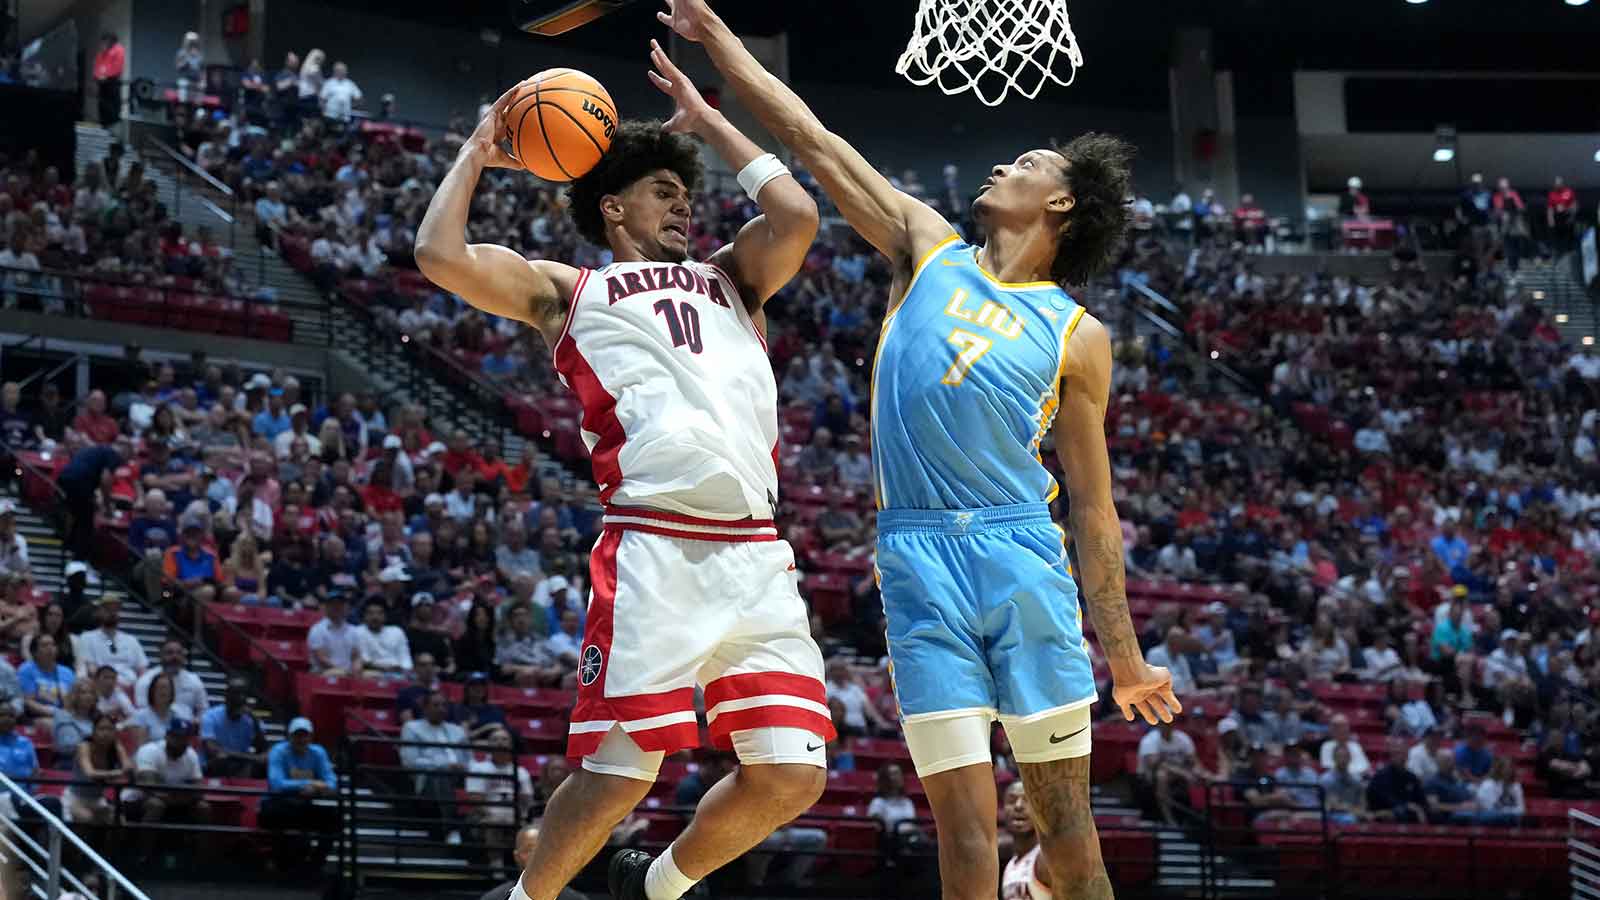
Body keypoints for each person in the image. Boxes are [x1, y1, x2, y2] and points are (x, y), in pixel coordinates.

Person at [660, 5, 1178, 898]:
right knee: (969, 843)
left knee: (1069, 840)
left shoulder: (1079, 335)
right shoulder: (927, 246)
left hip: (1023, 555)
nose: (1000, 164)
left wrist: (1124, 656)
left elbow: (1093, 506)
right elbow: (811, 140)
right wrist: (721, 47)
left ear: (1061, 202)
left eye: (1026, 164)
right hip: (916, 556)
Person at [416, 44, 833, 900]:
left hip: (757, 552)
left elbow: (794, 215)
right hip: (656, 545)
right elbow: (440, 255)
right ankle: (528, 899)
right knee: (619, 777)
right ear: (613, 207)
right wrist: (475, 152)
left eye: (687, 196)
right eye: (663, 193)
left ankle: (659, 886)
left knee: (794, 776)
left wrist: (709, 121)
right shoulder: (571, 291)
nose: (684, 207)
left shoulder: (732, 279)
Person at [262, 717, 339, 874]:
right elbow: (276, 783)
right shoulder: (278, 751)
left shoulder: (318, 752)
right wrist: (309, 784)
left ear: (311, 737)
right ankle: (281, 862)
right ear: (289, 736)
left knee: (335, 819)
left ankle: (315, 864)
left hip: (304, 805)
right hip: (278, 804)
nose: (301, 739)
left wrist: (315, 789)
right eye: (297, 735)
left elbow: (331, 782)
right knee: (276, 814)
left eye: (305, 735)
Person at [126, 719, 210, 856]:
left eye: (185, 738)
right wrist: (183, 794)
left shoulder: (191, 754)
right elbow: (149, 788)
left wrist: (176, 795)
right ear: (167, 736)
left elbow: (199, 790)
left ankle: (202, 859)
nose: (181, 742)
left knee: (204, 807)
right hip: (138, 800)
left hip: (175, 801)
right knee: (156, 805)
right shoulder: (150, 750)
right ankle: (143, 856)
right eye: (176, 737)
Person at [399, 691, 468, 842]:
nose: (441, 709)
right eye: (436, 705)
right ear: (425, 708)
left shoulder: (457, 731)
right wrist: (444, 765)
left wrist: (462, 767)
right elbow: (410, 762)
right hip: (428, 781)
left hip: (460, 777)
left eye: (444, 705)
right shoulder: (411, 728)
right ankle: (451, 828)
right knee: (441, 775)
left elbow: (469, 760)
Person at [479, 823, 590, 900]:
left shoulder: (575, 899)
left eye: (542, 849)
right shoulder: (493, 898)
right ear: (516, 856)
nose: (536, 856)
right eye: (529, 850)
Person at [67, 714, 129, 829]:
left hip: (98, 800)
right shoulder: (84, 746)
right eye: (101, 729)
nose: (105, 733)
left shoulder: (116, 747)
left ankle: (110, 847)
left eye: (109, 729)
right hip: (76, 798)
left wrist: (121, 771)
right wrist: (116, 773)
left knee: (119, 821)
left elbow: (127, 768)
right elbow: (90, 773)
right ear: (94, 731)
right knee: (87, 818)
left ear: (114, 732)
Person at [1136, 720, 1203, 826]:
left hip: (1179, 773)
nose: (1167, 725)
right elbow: (1154, 764)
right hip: (1150, 777)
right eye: (1164, 722)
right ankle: (1168, 818)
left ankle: (1198, 816)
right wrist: (1183, 773)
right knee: (1162, 775)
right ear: (1158, 724)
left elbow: (1194, 761)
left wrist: (1198, 771)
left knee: (1199, 774)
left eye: (1169, 722)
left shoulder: (1183, 738)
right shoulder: (1149, 740)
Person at [76, 595, 149, 687]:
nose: (112, 613)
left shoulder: (131, 640)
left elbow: (142, 669)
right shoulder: (87, 638)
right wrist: (113, 684)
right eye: (108, 609)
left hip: (131, 689)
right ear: (98, 612)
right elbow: (91, 669)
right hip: (102, 687)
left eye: (116, 609)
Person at [200, 677, 265, 777]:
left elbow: (263, 750)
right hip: (214, 766)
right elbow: (213, 750)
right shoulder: (210, 717)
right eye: (235, 694)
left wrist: (254, 720)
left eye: (243, 694)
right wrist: (250, 758)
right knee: (221, 759)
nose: (239, 698)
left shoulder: (251, 720)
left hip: (241, 765)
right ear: (226, 697)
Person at [1001, 780, 1050, 900]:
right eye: (1012, 801)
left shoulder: (1045, 859)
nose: (1018, 806)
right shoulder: (1010, 867)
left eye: (1027, 800)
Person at [1366, 736, 1429, 824]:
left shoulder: (1411, 777)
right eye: (1396, 753)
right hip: (1383, 811)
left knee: (1432, 814)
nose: (1399, 756)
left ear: (1407, 755)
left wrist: (1421, 808)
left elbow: (1422, 800)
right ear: (1391, 755)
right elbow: (1387, 800)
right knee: (1401, 812)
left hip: (1409, 811)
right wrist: (1407, 806)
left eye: (1402, 753)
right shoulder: (1381, 776)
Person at [135, 639, 208, 713]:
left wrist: (197, 720)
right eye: (170, 653)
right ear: (160, 656)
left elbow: (203, 710)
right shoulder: (146, 681)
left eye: (179, 653)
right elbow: (142, 711)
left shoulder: (194, 680)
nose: (175, 657)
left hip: (188, 723)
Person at [18, 633, 74, 720]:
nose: (50, 648)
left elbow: (72, 700)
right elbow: (28, 701)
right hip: (38, 716)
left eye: (53, 645)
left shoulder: (67, 672)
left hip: (65, 715)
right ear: (34, 652)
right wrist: (56, 713)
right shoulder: (26, 670)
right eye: (44, 645)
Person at [307, 592, 360, 675]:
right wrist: (345, 672)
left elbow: (356, 657)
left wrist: (356, 671)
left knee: (371, 676)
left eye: (340, 604)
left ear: (346, 607)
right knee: (338, 673)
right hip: (322, 673)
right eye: (333, 604)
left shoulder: (353, 630)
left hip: (347, 673)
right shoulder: (317, 629)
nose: (337, 607)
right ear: (326, 607)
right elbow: (322, 659)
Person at [1473, 756, 1525, 825]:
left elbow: (1521, 808)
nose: (1508, 771)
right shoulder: (1488, 785)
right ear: (1498, 769)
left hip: (1510, 818)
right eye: (1505, 768)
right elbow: (1490, 808)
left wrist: (1509, 812)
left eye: (1510, 768)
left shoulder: (1516, 786)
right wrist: (1510, 811)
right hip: (1488, 818)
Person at [93, 32, 125, 128]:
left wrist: (105, 75)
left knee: (112, 112)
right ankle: (104, 126)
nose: (102, 45)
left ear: (110, 42)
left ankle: (112, 130)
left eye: (104, 43)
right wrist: (98, 76)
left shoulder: (118, 50)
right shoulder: (101, 54)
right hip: (103, 85)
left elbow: (117, 68)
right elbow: (96, 68)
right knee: (103, 110)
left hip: (112, 84)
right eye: (102, 43)